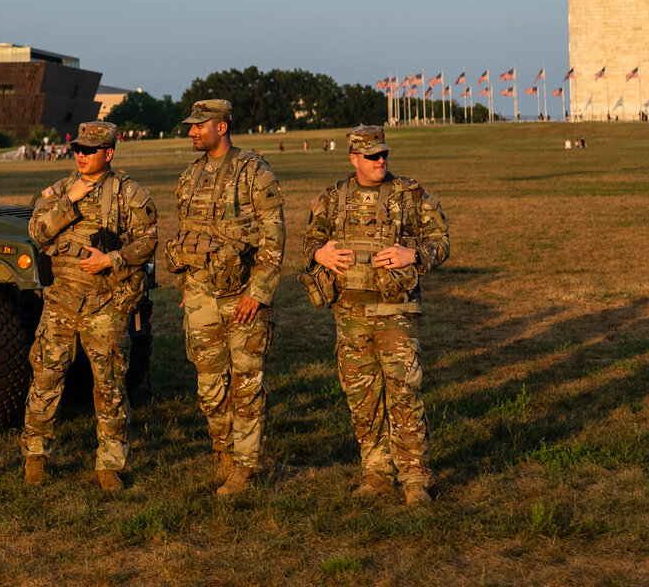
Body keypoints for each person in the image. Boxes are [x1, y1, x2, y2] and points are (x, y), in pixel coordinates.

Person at [303, 125, 451, 506]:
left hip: (395, 311)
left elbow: (441, 241)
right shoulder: (333, 198)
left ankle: (415, 476)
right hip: (349, 312)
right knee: (362, 396)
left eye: (383, 154)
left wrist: (413, 254)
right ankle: (376, 471)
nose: (380, 160)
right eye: (371, 156)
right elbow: (310, 239)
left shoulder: (409, 194)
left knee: (403, 391)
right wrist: (320, 254)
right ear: (354, 158)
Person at [21, 120, 157, 490]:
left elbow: (148, 243)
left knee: (109, 385)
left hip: (106, 304)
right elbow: (35, 232)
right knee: (46, 378)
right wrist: (70, 201)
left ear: (108, 153)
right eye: (76, 149)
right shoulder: (60, 191)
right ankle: (36, 457)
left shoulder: (131, 194)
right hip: (61, 303)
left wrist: (110, 260)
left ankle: (109, 464)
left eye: (89, 150)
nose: (80, 155)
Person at [164, 98, 286, 496]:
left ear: (221, 125)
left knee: (247, 382)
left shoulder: (254, 171)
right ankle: (224, 455)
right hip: (200, 296)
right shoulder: (189, 176)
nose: (192, 132)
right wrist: (188, 285)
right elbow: (188, 237)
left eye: (199, 125)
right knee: (209, 385)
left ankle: (247, 468)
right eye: (191, 126)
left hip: (243, 296)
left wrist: (260, 292)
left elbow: (273, 235)